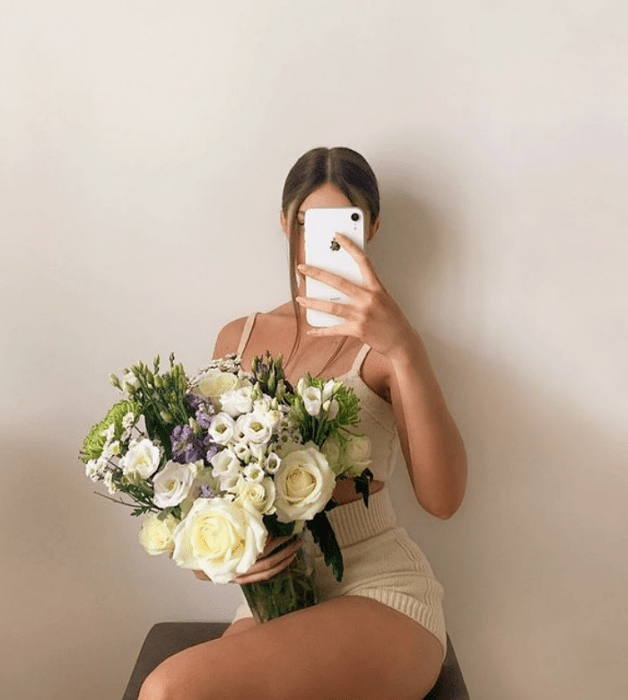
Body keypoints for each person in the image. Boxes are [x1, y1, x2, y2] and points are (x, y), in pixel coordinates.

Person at [138, 147, 467, 700]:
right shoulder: (237, 340)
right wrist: (231, 561)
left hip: (381, 591)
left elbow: (444, 498)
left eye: (345, 224)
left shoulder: (388, 347)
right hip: (273, 600)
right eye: (309, 224)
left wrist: (406, 348)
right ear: (285, 223)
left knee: (172, 690)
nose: (323, 242)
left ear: (372, 228)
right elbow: (199, 507)